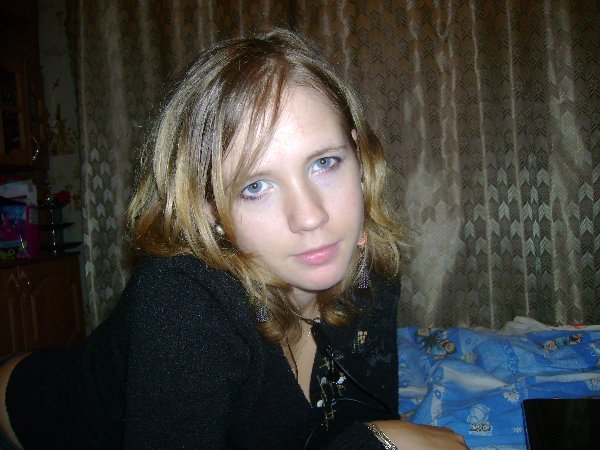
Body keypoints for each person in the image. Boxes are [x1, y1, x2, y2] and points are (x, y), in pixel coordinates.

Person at [0, 28, 467, 449]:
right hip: (27, 415)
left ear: (358, 154)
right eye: (255, 186)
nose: (311, 217)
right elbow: (370, 434)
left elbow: (357, 416)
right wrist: (379, 442)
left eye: (324, 163)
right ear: (209, 208)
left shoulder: (368, 263)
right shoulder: (183, 297)